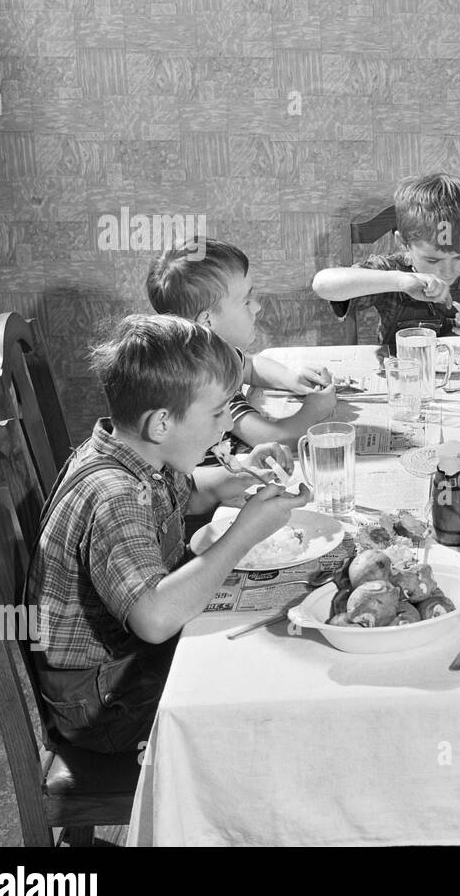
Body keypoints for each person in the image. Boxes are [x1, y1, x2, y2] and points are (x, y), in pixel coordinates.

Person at [26, 315, 311, 754]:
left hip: (123, 668)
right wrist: (244, 534)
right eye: (218, 413)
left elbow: (189, 495)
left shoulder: (132, 452)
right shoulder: (114, 496)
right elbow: (155, 619)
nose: (225, 428)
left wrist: (241, 475)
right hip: (105, 705)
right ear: (161, 424)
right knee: (274, 686)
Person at [312, 173, 460, 354]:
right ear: (403, 242)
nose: (447, 271)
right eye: (432, 259)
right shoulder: (393, 271)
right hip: (407, 386)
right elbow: (323, 284)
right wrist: (401, 281)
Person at [146, 239, 337, 453]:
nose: (257, 307)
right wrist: (315, 409)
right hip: (213, 479)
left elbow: (252, 367)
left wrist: (292, 380)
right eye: (246, 301)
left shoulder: (206, 350)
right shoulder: (204, 380)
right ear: (207, 322)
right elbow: (279, 438)